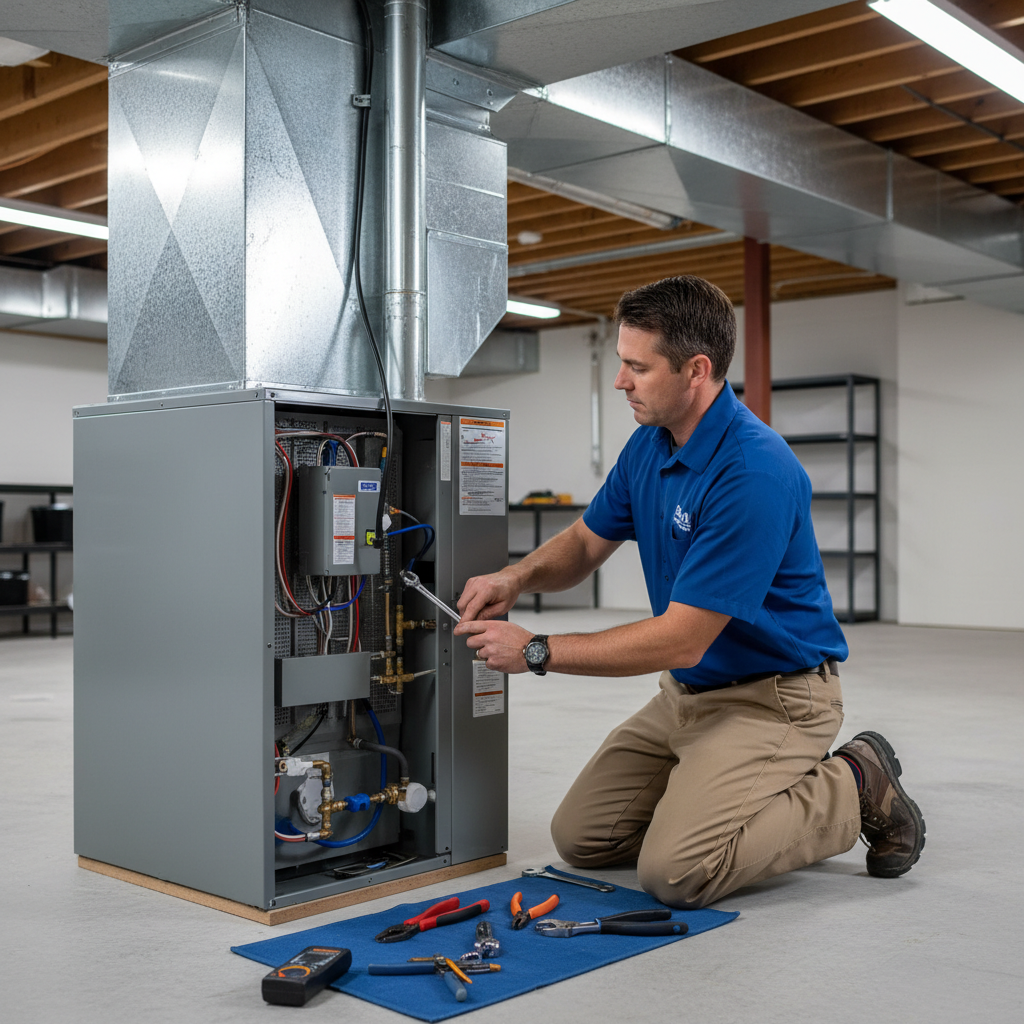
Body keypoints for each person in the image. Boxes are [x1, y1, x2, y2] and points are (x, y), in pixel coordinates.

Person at [454, 275, 925, 908]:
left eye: (636, 367)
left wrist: (536, 649)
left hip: (775, 698)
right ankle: (713, 800)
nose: (620, 381)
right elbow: (585, 544)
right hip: (689, 694)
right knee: (582, 838)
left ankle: (852, 781)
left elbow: (682, 637)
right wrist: (515, 577)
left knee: (677, 873)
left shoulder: (753, 472)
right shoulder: (650, 445)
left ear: (696, 370)